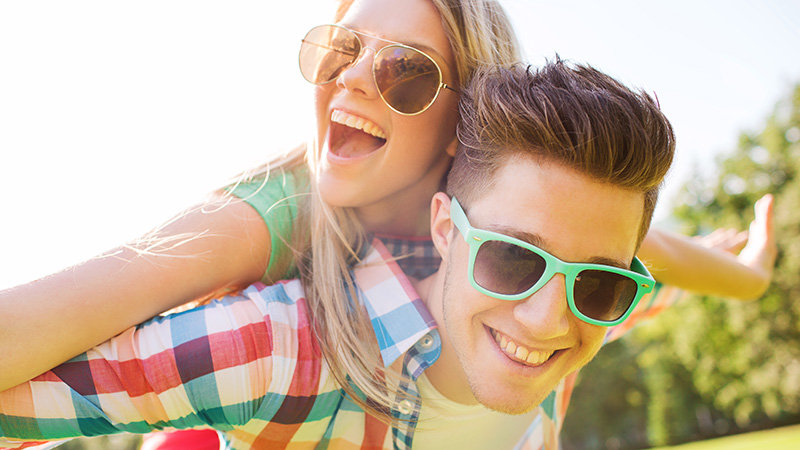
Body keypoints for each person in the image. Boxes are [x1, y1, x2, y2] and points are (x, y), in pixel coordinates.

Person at [0, 60, 777, 450]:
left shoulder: (576, 326)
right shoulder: (288, 352)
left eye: (601, 287)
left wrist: (739, 267)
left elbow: (654, 282)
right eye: (514, 261)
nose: (547, 320)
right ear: (445, 227)